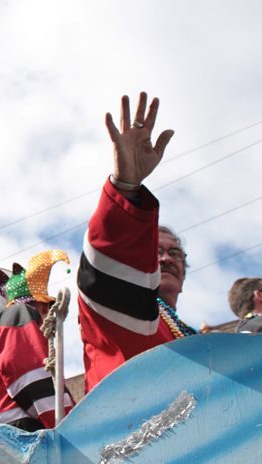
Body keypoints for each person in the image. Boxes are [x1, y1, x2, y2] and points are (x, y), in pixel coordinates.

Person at [77, 92, 198, 394]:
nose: (168, 259)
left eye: (175, 253)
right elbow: (113, 259)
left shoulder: (183, 331)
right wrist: (126, 186)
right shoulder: (124, 316)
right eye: (156, 252)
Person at [0, 251, 76, 431]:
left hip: (0, 432)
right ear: (43, 306)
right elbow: (29, 376)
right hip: (20, 431)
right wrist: (73, 429)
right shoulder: (17, 314)